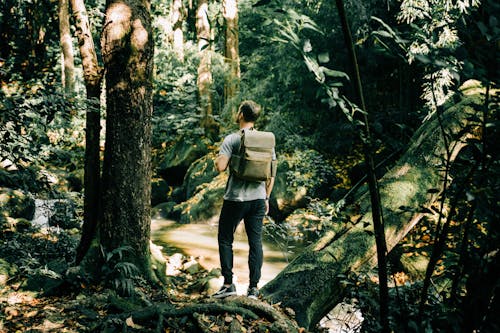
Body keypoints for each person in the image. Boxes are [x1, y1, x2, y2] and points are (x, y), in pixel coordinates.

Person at [212, 100, 276, 299]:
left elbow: (221, 167)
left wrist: (218, 159)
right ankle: (253, 289)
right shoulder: (266, 141)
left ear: (241, 115)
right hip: (258, 199)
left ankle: (229, 284)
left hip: (235, 199)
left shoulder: (232, 139)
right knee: (255, 242)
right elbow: (271, 173)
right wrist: (266, 197)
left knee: (225, 238)